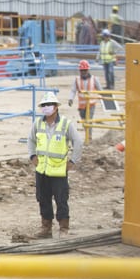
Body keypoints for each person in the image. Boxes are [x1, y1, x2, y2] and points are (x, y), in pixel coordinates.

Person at [28, 92, 83, 239]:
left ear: (56, 107)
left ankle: (63, 228)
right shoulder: (38, 124)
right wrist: (33, 156)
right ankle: (46, 228)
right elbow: (30, 140)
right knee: (43, 199)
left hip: (58, 171)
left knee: (61, 199)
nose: (46, 108)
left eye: (49, 105)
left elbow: (78, 142)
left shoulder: (65, 124)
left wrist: (72, 161)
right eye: (44, 105)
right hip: (42, 170)